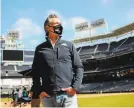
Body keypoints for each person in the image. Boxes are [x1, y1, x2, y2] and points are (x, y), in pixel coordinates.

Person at [31, 14, 84, 107]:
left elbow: (79, 67)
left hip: (68, 97)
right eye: (56, 24)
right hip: (48, 98)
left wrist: (74, 88)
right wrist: (39, 91)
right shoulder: (39, 49)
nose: (60, 26)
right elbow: (35, 73)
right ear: (48, 28)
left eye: (60, 24)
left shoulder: (69, 45)